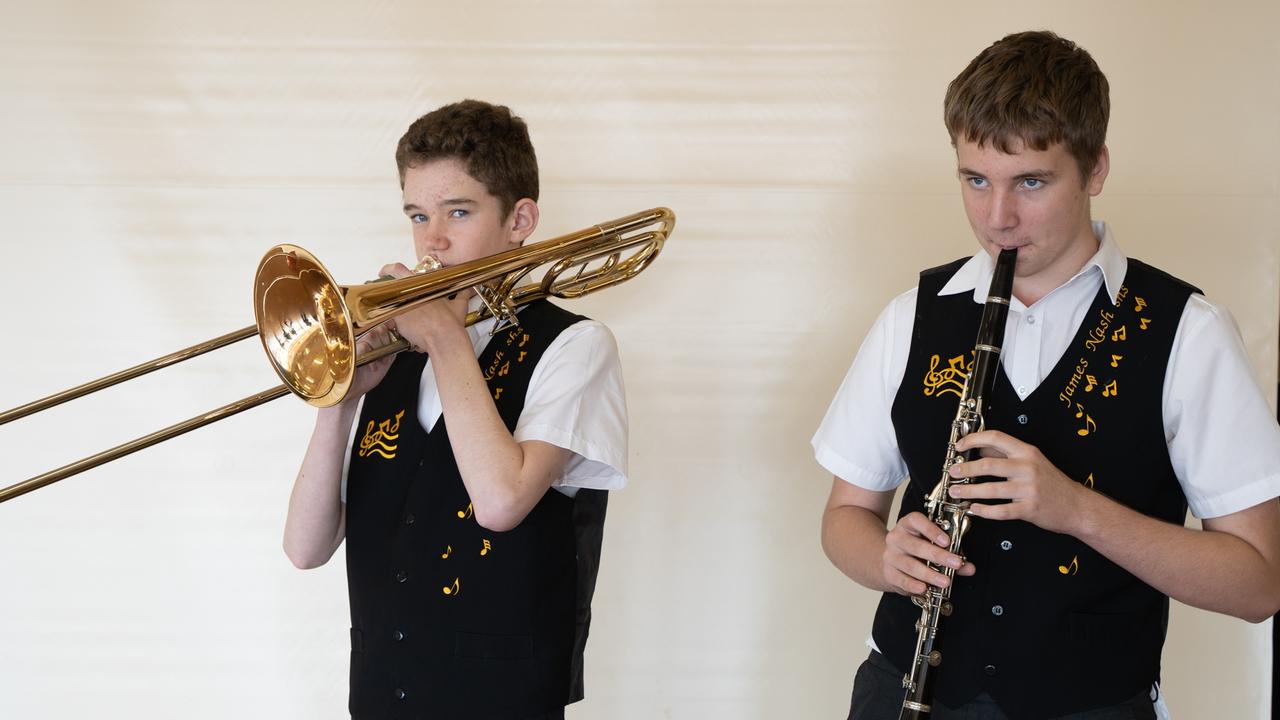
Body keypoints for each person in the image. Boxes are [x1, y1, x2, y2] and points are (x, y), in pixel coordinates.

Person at [813, 31, 1280, 720]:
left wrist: (1076, 510)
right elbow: (845, 516)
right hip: (902, 695)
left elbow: (1257, 583)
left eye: (1031, 181)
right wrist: (886, 559)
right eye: (976, 180)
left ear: (1095, 169)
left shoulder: (1188, 331)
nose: (997, 218)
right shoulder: (914, 316)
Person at [282, 99, 628, 719]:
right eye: (417, 215)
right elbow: (305, 549)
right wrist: (338, 400)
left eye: (458, 212)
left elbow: (501, 503)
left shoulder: (577, 347)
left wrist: (443, 336)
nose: (432, 241)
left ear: (519, 218)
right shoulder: (395, 350)